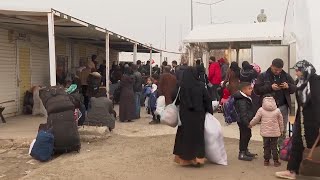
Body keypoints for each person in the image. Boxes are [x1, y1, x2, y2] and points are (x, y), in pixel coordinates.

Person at [276, 60, 320, 180]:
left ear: (306, 70)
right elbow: (298, 96)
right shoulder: (301, 82)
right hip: (301, 119)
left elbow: (317, 103)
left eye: (298, 70)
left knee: (312, 145)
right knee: (297, 143)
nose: (296, 73)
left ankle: (302, 170)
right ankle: (292, 170)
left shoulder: (315, 81)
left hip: (313, 121)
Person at [173, 67, 213, 167]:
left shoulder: (181, 86)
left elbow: (175, 99)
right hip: (198, 115)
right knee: (198, 137)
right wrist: (209, 111)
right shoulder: (200, 85)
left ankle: (185, 159)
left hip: (185, 115)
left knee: (185, 137)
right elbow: (207, 99)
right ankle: (198, 159)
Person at [254, 58, 297, 147]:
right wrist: (270, 87)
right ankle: (269, 149)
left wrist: (288, 86)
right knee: (268, 129)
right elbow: (257, 90)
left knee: (282, 128)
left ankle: (281, 147)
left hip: (283, 106)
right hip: (267, 108)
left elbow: (294, 88)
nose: (277, 72)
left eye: (279, 70)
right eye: (275, 70)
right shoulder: (263, 76)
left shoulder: (286, 76)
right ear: (271, 66)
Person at [249, 95, 284, 167]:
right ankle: (276, 161)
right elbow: (281, 122)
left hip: (265, 133)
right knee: (274, 146)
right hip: (275, 132)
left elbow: (256, 119)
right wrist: (282, 130)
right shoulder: (277, 110)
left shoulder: (261, 110)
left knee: (266, 146)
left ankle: (266, 161)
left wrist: (251, 124)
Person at [234, 82, 256, 161]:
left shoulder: (245, 97)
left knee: (247, 135)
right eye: (249, 89)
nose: (251, 90)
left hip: (246, 121)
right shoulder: (242, 100)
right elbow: (243, 114)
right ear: (243, 90)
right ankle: (242, 153)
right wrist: (247, 123)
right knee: (244, 136)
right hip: (243, 122)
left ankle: (245, 151)